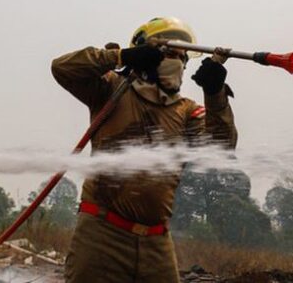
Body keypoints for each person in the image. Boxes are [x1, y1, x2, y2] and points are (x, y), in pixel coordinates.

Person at [51, 17, 238, 283]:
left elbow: (221, 148)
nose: (178, 62)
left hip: (156, 241)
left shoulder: (186, 111)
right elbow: (63, 68)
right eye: (169, 53)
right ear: (146, 54)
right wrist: (119, 57)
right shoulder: (111, 89)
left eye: (182, 57)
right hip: (103, 234)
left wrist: (215, 93)